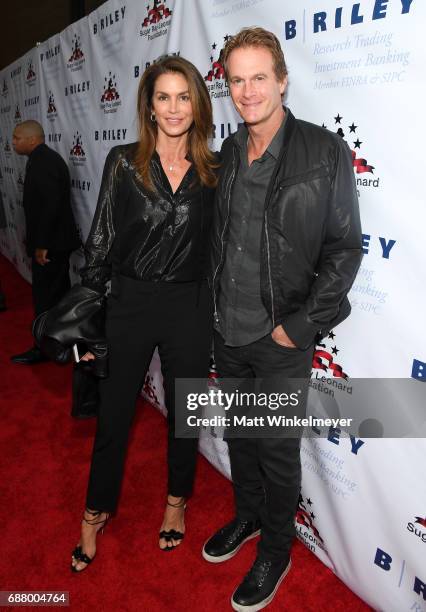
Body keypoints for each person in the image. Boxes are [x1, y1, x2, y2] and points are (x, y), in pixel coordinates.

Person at [203, 28, 363, 611]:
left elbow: (345, 249)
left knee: (275, 445)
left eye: (259, 78)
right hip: (227, 329)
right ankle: (247, 517)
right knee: (241, 438)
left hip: (279, 339)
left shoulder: (323, 152)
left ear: (282, 79)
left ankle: (277, 545)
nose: (248, 92)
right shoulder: (224, 153)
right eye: (237, 80)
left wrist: (299, 326)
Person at [70, 56, 218, 571]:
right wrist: (89, 317)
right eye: (163, 97)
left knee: (185, 414)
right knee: (113, 414)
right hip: (130, 303)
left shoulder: (213, 170)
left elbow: (220, 249)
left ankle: (176, 503)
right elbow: (102, 241)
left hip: (190, 305)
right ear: (149, 107)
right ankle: (94, 512)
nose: (174, 107)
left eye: (184, 97)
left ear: (197, 104)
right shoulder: (123, 162)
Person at [11, 120, 80, 364]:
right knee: (57, 296)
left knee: (45, 298)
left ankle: (44, 349)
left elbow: (51, 207)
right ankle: (59, 347)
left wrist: (42, 245)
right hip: (55, 242)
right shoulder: (44, 159)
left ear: (32, 139)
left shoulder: (44, 162)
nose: (13, 143)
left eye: (17, 138)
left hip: (50, 246)